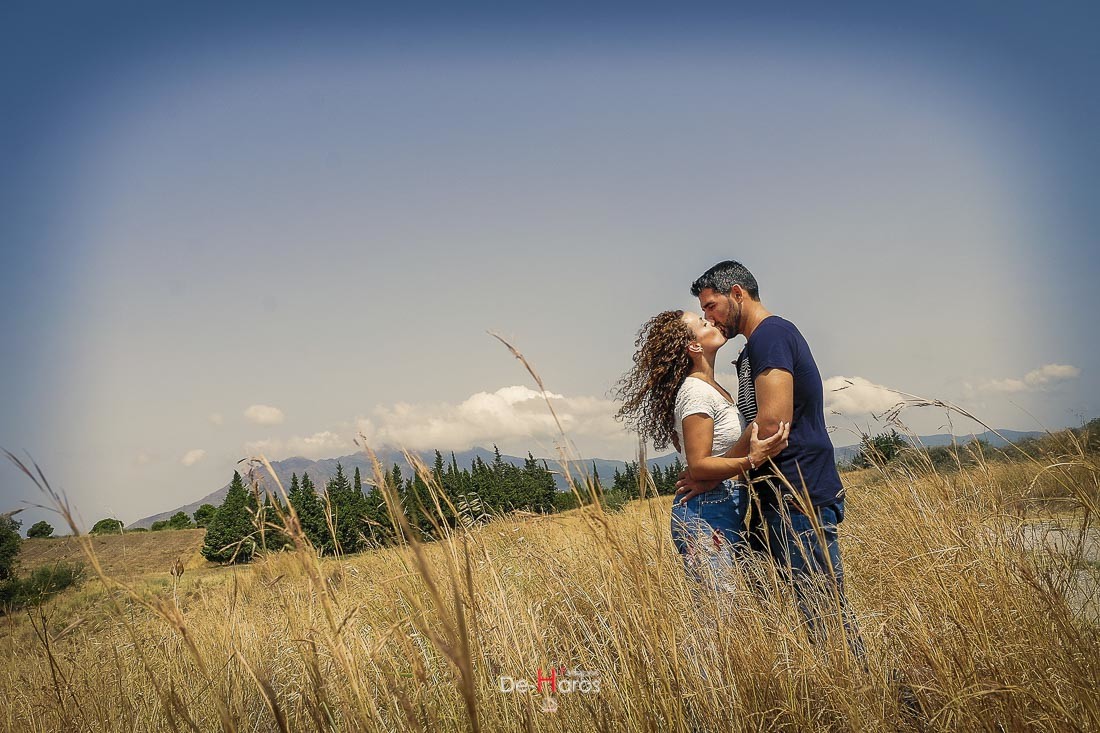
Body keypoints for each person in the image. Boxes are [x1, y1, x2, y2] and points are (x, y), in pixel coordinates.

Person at [676, 260, 864, 654]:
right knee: (789, 616)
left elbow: (772, 424)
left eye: (711, 306)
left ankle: (869, 689)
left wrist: (713, 473)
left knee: (825, 618)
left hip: (798, 494)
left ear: (737, 294)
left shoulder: (771, 336)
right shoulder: (754, 347)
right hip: (776, 499)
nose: (709, 316)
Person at [614, 309, 789, 589]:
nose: (712, 321)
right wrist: (751, 459)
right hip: (705, 510)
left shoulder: (711, 388)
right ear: (694, 347)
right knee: (717, 610)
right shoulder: (696, 392)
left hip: (718, 506)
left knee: (732, 605)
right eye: (703, 322)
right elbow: (698, 465)